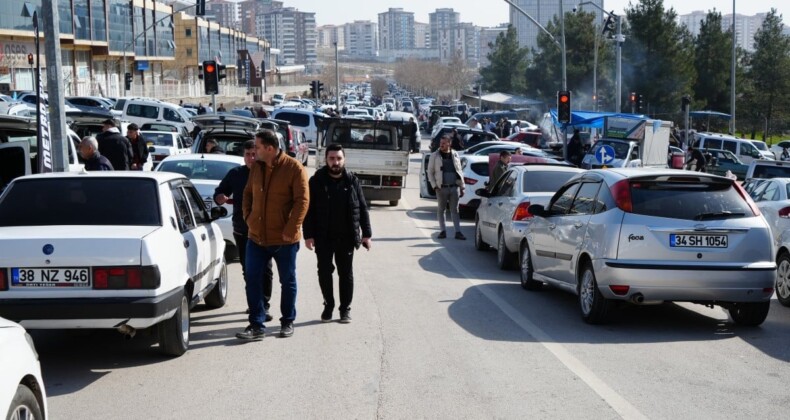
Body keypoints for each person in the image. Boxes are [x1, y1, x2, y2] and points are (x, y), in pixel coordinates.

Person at [237, 129, 309, 341]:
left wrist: (290, 228)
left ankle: (287, 321)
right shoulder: (257, 168)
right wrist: (248, 217)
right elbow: (248, 193)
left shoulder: (294, 168)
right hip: (256, 237)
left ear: (269, 148)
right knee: (252, 279)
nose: (254, 151)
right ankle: (256, 324)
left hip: (284, 239)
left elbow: (302, 201)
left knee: (287, 280)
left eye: (257, 147)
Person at [303, 144, 372, 324]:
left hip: (346, 237)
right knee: (324, 273)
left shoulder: (352, 181)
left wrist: (366, 234)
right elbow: (308, 210)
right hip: (323, 237)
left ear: (344, 159)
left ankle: (345, 309)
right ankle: (329, 305)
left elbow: (362, 208)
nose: (335, 162)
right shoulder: (316, 180)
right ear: (326, 159)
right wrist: (308, 235)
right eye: (332, 158)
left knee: (346, 274)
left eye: (339, 158)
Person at [214, 140, 273, 321]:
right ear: (243, 156)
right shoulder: (236, 174)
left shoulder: (268, 172)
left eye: (254, 154)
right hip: (242, 230)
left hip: (265, 230)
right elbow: (219, 193)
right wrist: (220, 198)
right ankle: (254, 304)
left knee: (266, 269)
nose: (251, 158)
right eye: (248, 154)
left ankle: (264, 305)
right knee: (249, 270)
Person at [427, 135, 466, 240]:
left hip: (454, 187)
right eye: (441, 143)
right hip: (441, 188)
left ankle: (458, 232)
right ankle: (442, 231)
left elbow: (459, 171)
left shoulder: (455, 154)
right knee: (441, 210)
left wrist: (462, 186)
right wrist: (434, 186)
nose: (442, 145)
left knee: (455, 210)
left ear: (449, 143)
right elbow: (430, 172)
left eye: (444, 143)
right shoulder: (435, 156)